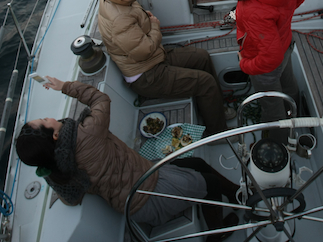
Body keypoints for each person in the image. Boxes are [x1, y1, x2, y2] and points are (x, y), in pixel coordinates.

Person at [16, 79, 239, 241]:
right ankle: (216, 234)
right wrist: (64, 86)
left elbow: (71, 198)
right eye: (45, 120)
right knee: (211, 184)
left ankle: (236, 193)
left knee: (198, 164)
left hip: (136, 194)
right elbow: (100, 98)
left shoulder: (56, 169)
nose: (50, 117)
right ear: (55, 135)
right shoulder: (87, 134)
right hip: (151, 196)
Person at [98, 0, 234, 136]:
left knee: (202, 57)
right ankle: (217, 133)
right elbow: (144, 50)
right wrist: (154, 25)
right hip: (146, 75)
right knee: (205, 83)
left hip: (155, 58)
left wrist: (144, 18)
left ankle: (216, 108)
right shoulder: (119, 19)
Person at [226, 0, 306, 143]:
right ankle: (296, 116)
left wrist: (245, 65)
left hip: (266, 65)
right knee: (289, 86)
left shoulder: (251, 9)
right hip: (286, 43)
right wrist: (281, 20)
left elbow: (271, 59)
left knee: (272, 109)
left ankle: (276, 144)